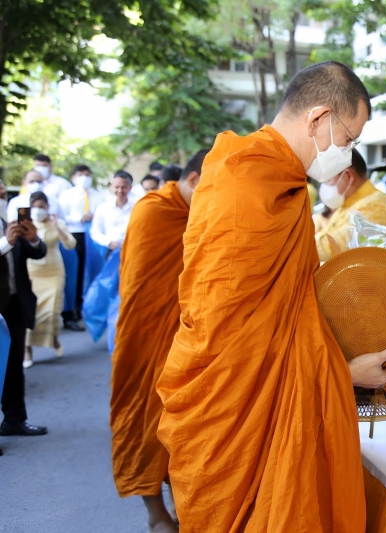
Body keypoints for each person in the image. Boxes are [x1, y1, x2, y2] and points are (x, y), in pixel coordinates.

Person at [155, 61, 386, 532]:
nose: (348, 157)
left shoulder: (283, 185)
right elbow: (231, 343)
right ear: (318, 118)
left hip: (268, 397)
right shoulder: (245, 181)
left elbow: (289, 316)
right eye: (349, 138)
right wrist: (345, 374)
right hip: (231, 412)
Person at [110, 149, 208, 533]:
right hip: (148, 337)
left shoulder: (204, 213)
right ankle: (156, 513)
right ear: (195, 180)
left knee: (191, 430)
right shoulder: (154, 210)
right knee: (145, 422)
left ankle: (186, 507)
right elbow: (141, 288)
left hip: (193, 340)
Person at [0, 215, 48, 436]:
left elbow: (37, 252)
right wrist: (6, 243)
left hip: (14, 305)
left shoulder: (4, 222)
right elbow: (6, 246)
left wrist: (33, 238)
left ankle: (14, 419)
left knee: (12, 366)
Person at [314, 149, 386, 261]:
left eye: (328, 179)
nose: (324, 185)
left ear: (348, 176)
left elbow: (330, 248)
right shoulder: (348, 203)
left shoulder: (376, 206)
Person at [23, 192, 76, 368]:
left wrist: (56, 226)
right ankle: (27, 349)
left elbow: (70, 244)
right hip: (33, 271)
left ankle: (53, 339)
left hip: (54, 271)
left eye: (42, 207)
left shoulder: (57, 223)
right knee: (31, 311)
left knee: (52, 310)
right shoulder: (27, 224)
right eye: (35, 207)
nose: (38, 210)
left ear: (48, 207)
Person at [58, 165, 104, 330]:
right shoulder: (66, 195)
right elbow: (61, 217)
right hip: (73, 234)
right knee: (73, 275)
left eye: (87, 174)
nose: (84, 177)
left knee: (92, 273)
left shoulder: (98, 196)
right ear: (73, 177)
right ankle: (70, 311)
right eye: (80, 175)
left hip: (92, 237)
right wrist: (78, 218)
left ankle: (89, 309)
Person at [90, 171, 134, 251]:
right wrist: (109, 242)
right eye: (117, 187)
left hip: (132, 249)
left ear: (130, 187)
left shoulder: (136, 207)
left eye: (124, 187)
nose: (120, 191)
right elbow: (95, 232)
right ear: (111, 186)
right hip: (110, 250)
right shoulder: (103, 208)